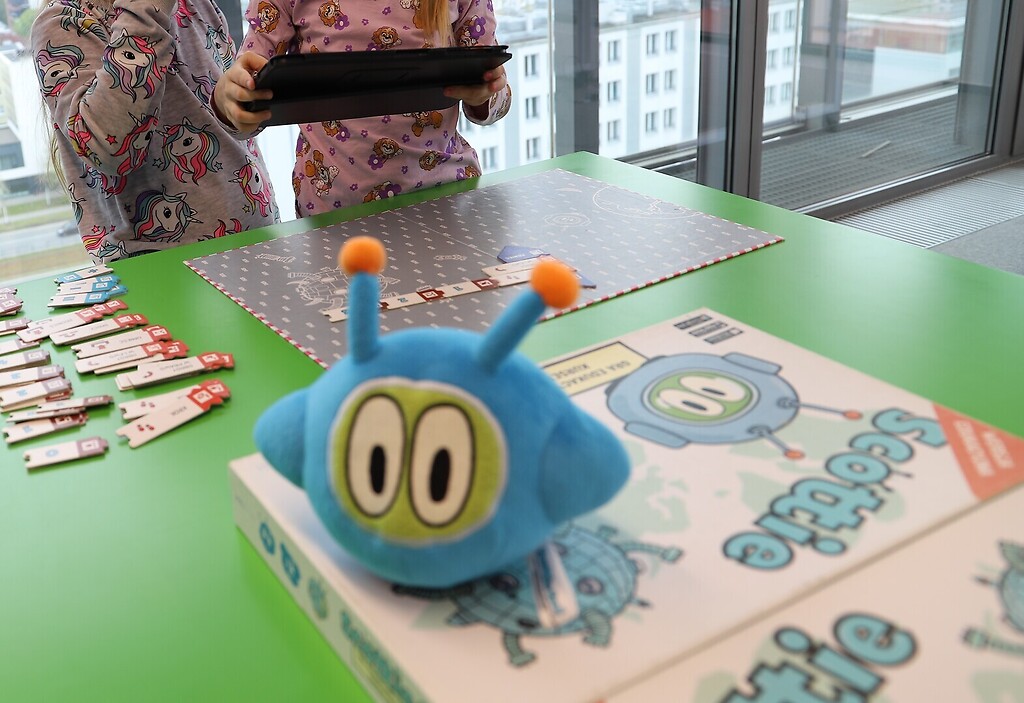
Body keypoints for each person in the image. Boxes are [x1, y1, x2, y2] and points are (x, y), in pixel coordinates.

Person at [31, 0, 281, 264]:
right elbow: (110, 149)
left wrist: (231, 106)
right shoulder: (62, 22)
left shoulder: (193, 5)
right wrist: (148, 9)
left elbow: (235, 124)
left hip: (253, 241)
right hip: (155, 266)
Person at [213, 0, 511, 217]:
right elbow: (245, 89)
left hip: (447, 198)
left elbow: (498, 96)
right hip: (332, 212)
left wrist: (484, 94)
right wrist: (231, 100)